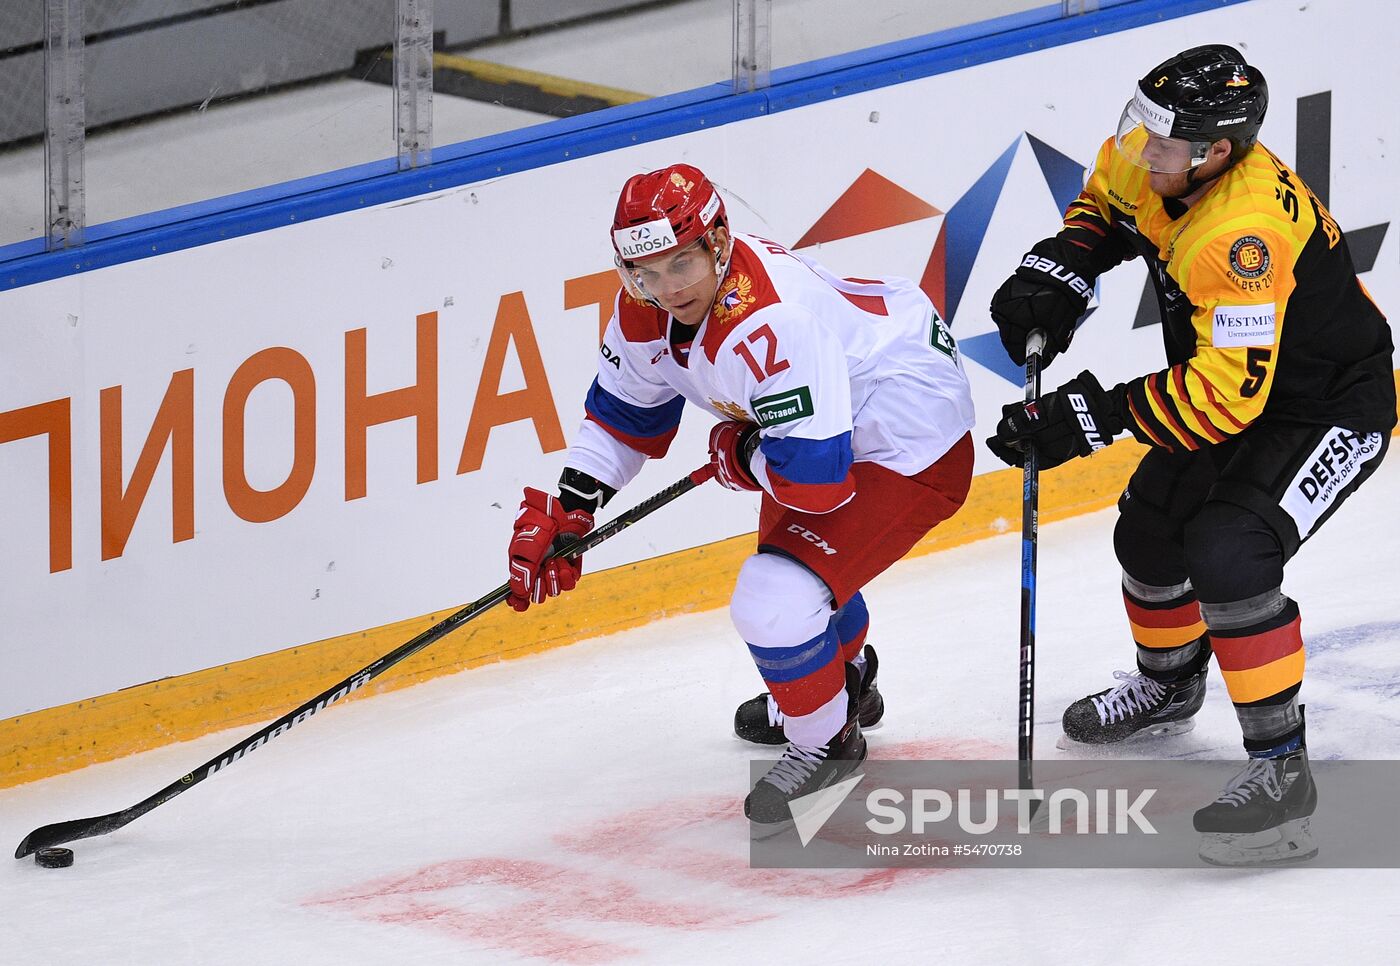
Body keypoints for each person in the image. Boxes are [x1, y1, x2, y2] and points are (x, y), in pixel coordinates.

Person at [987, 45, 1394, 864]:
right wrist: (1065, 266)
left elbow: (1224, 399)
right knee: (1147, 532)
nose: (1138, 148)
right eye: (1137, 126)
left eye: (1160, 142)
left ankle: (1283, 774)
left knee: (1227, 552)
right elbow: (1109, 199)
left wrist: (1089, 418)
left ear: (1216, 152)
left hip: (1326, 407)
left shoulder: (1239, 235)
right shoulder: (1159, 155)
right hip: (1245, 389)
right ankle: (1171, 685)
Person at [506, 163, 976, 835]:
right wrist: (571, 509)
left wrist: (743, 453)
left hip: (906, 439)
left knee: (776, 598)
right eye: (645, 274)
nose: (667, 290)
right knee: (796, 584)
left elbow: (816, 483)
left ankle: (829, 745)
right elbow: (625, 414)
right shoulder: (643, 306)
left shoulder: (769, 323)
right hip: (831, 415)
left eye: (682, 266)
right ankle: (847, 681)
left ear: (718, 243)